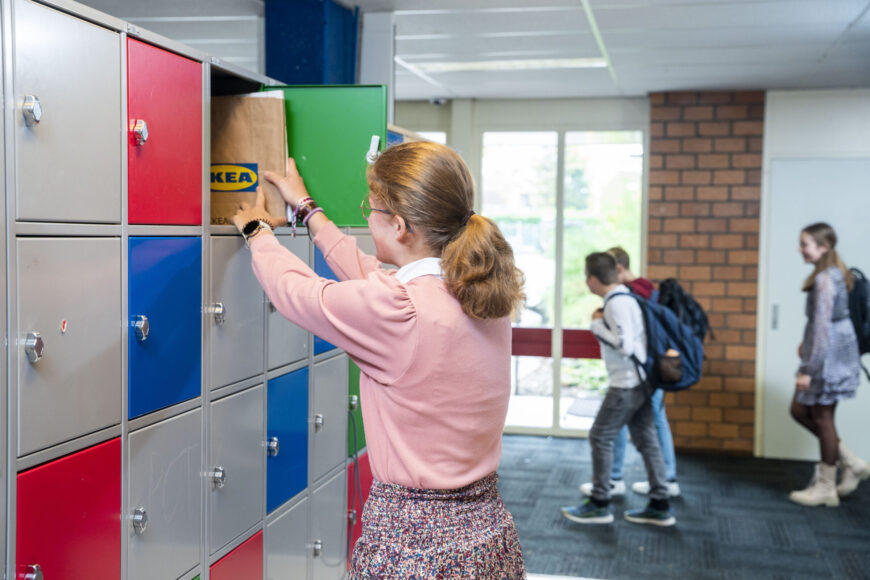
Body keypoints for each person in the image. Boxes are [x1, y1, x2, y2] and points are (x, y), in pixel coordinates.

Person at [232, 141, 527, 578]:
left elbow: (300, 294)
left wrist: (258, 233)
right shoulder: (480, 290)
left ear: (401, 226)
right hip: (488, 536)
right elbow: (375, 275)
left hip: (415, 548)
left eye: (370, 207)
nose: (367, 216)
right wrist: (310, 212)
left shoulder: (399, 310)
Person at [561, 252, 675, 527]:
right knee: (646, 439)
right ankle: (660, 504)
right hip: (642, 381)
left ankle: (600, 503)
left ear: (592, 279)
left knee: (600, 436)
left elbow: (624, 346)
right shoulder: (627, 297)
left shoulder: (615, 303)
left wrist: (597, 327)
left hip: (626, 384)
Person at [789, 222, 867, 506]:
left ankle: (826, 487)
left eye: (805, 244)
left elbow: (822, 326)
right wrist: (805, 344)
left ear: (823, 247)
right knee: (806, 411)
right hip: (835, 352)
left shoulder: (824, 279)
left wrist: (807, 369)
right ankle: (851, 463)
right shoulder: (835, 273)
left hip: (829, 357)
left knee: (820, 417)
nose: (800, 249)